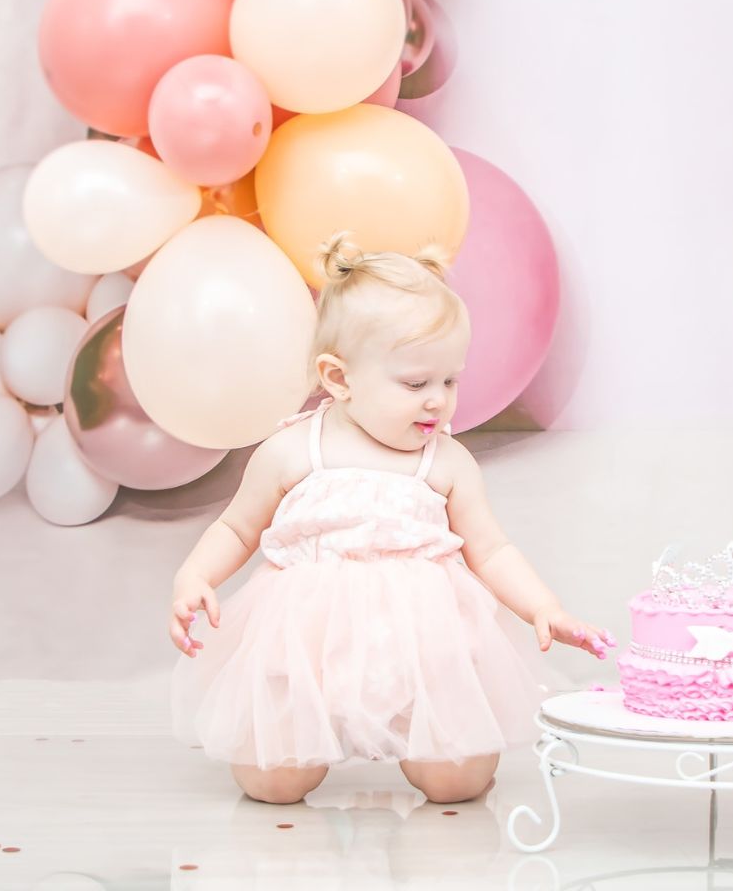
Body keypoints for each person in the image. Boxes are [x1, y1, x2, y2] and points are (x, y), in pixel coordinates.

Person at [169, 230, 612, 806]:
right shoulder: (294, 450)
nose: (439, 400)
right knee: (272, 780)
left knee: (457, 781)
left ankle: (433, 750)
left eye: (450, 380)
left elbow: (491, 548)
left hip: (423, 643)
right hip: (308, 640)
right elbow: (236, 527)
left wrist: (542, 607)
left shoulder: (444, 461)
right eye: (415, 383)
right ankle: (297, 745)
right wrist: (194, 576)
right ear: (339, 378)